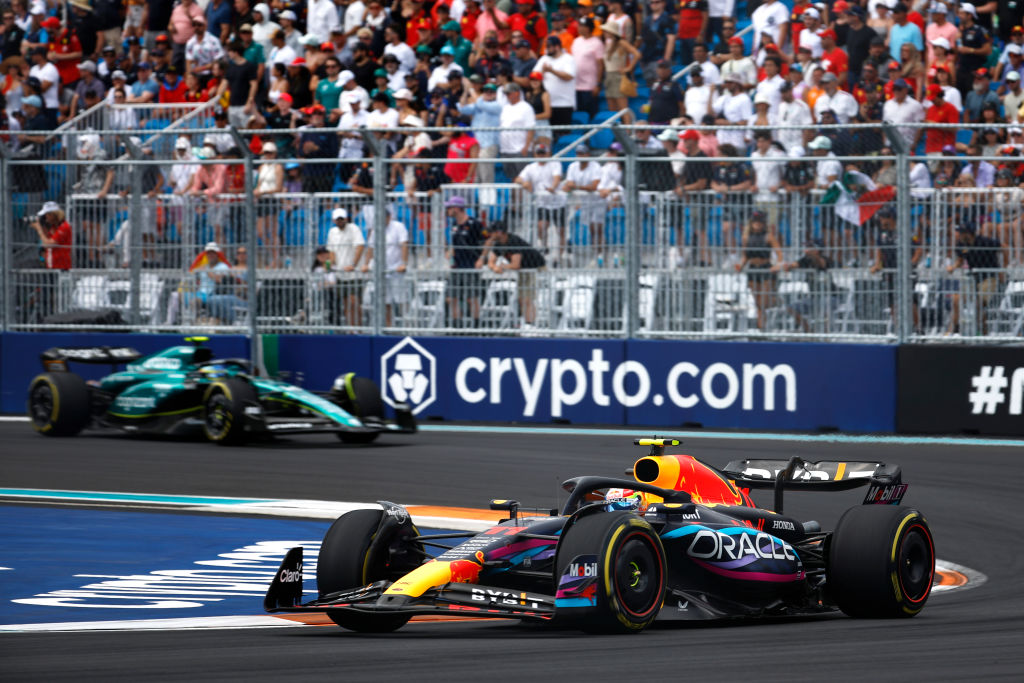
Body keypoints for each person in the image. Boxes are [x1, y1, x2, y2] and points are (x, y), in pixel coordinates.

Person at [480, 220, 546, 326]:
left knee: (526, 299)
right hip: (525, 270)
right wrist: (494, 267)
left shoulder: (513, 241)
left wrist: (501, 266)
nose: (490, 234)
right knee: (522, 299)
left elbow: (516, 265)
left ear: (500, 232)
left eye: (492, 232)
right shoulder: (499, 243)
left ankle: (531, 325)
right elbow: (490, 262)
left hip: (534, 268)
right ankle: (527, 323)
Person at [946, 221, 1004, 335]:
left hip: (989, 277)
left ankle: (982, 331)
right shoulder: (961, 244)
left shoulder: (985, 242)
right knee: (956, 299)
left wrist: (1003, 268)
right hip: (973, 277)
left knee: (979, 303)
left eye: (961, 233)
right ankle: (954, 328)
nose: (959, 235)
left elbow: (1004, 247)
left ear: (969, 234)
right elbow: (960, 259)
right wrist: (953, 267)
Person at [514, 141, 565, 262]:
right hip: (542, 203)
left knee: (561, 230)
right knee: (541, 226)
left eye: (543, 153)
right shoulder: (530, 167)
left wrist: (553, 187)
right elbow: (518, 178)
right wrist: (524, 182)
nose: (541, 156)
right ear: (535, 155)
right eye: (539, 153)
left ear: (547, 154)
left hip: (558, 202)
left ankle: (561, 255)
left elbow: (557, 178)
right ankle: (544, 246)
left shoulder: (555, 164)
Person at [360, 206, 409, 327]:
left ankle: (406, 326)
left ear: (389, 217)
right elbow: (370, 248)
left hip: (396, 269)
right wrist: (366, 264)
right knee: (385, 302)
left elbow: (404, 245)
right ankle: (388, 328)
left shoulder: (398, 226)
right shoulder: (376, 230)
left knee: (401, 300)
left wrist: (403, 263)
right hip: (382, 270)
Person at [735, 210, 783, 330]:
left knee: (763, 302)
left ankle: (778, 303)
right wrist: (740, 265)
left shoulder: (769, 237)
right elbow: (745, 255)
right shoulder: (746, 237)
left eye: (759, 221)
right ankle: (761, 328)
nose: (757, 224)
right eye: (755, 221)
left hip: (765, 269)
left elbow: (779, 254)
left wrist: (778, 265)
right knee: (758, 303)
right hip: (752, 270)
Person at [73, 133, 115, 268]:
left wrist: (104, 190)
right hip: (86, 195)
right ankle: (91, 257)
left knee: (97, 227)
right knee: (87, 226)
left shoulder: (101, 154)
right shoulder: (85, 155)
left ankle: (98, 256)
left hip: (97, 195)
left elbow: (110, 172)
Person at [444, 196, 486, 328]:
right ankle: (458, 325)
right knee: (451, 298)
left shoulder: (475, 224)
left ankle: (476, 325)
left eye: (449, 207)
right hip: (457, 266)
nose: (447, 210)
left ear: (457, 208)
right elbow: (455, 243)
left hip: (470, 265)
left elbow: (487, 241)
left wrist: (481, 258)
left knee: (471, 298)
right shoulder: (454, 226)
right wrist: (450, 251)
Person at [325, 207, 366, 327]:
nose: (340, 221)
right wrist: (331, 264)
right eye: (337, 219)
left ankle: (358, 328)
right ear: (334, 220)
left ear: (346, 218)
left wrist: (353, 264)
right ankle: (351, 328)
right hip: (340, 273)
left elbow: (360, 246)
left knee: (354, 301)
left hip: (353, 274)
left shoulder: (354, 229)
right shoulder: (332, 232)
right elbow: (331, 250)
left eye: (341, 219)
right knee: (346, 302)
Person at [532, 35, 576, 135]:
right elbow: (534, 76)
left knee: (562, 134)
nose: (547, 49)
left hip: (564, 104)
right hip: (546, 105)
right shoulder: (544, 59)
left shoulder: (568, 59)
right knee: (546, 135)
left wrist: (552, 71)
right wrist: (543, 72)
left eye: (549, 46)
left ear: (557, 47)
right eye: (546, 46)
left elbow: (569, 76)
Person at [253, 141, 283, 267]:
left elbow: (279, 187)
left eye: (270, 153)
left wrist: (263, 192)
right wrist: (256, 191)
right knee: (260, 231)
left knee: (272, 230)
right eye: (266, 153)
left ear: (274, 154)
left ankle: (276, 259)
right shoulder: (262, 167)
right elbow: (259, 184)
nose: (268, 155)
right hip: (262, 199)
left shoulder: (278, 167)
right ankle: (274, 255)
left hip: (272, 198)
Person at [600, 21, 639, 115]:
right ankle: (615, 129)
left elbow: (637, 54)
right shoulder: (608, 43)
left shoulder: (621, 42)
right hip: (609, 76)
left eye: (606, 31)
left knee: (623, 108)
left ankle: (628, 129)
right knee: (611, 108)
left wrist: (628, 68)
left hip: (617, 76)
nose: (604, 33)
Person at [32, 200, 72, 270]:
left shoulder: (64, 227)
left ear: (53, 215)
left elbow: (48, 244)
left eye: (46, 215)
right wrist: (42, 226)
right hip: (51, 265)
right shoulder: (53, 227)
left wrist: (39, 230)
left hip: (61, 267)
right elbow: (45, 240)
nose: (46, 217)